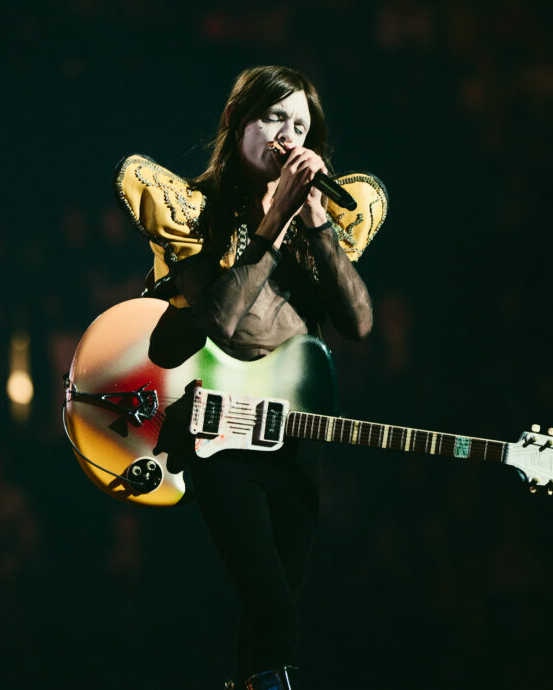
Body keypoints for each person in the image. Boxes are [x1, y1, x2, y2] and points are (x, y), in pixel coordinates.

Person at [139, 65, 378, 690]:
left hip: (294, 436)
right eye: (275, 118)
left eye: (301, 126)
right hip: (221, 431)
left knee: (270, 616)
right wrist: (271, 222)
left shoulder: (311, 221)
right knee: (273, 610)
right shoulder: (198, 211)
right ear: (237, 120)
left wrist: (315, 220)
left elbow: (357, 323)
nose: (289, 136)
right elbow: (219, 321)